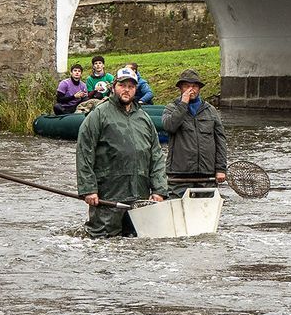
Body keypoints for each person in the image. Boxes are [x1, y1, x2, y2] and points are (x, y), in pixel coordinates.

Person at [76, 66, 168, 238]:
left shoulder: (144, 119)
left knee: (136, 244)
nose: (127, 90)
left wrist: (159, 190)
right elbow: (84, 152)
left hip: (139, 196)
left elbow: (156, 156)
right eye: (122, 85)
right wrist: (88, 189)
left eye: (131, 86)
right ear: (114, 86)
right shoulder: (98, 115)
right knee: (102, 244)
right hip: (108, 196)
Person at [161, 68, 227, 191]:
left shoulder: (211, 110)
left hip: (207, 174)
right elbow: (169, 126)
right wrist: (183, 104)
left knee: (205, 209)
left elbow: (220, 141)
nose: (191, 89)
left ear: (199, 88)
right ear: (180, 88)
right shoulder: (171, 108)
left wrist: (221, 169)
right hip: (179, 174)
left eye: (194, 86)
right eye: (186, 86)